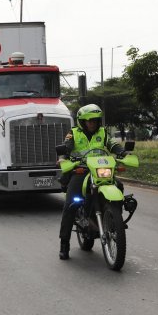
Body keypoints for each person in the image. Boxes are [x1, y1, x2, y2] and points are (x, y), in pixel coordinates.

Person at [57, 104, 125, 260]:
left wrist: (122, 152)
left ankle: (115, 219)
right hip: (81, 170)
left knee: (119, 185)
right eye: (88, 121)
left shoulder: (103, 133)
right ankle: (64, 243)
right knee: (70, 205)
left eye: (94, 120)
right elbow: (66, 148)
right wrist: (62, 158)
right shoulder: (73, 133)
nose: (92, 123)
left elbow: (113, 145)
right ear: (82, 121)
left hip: (101, 169)